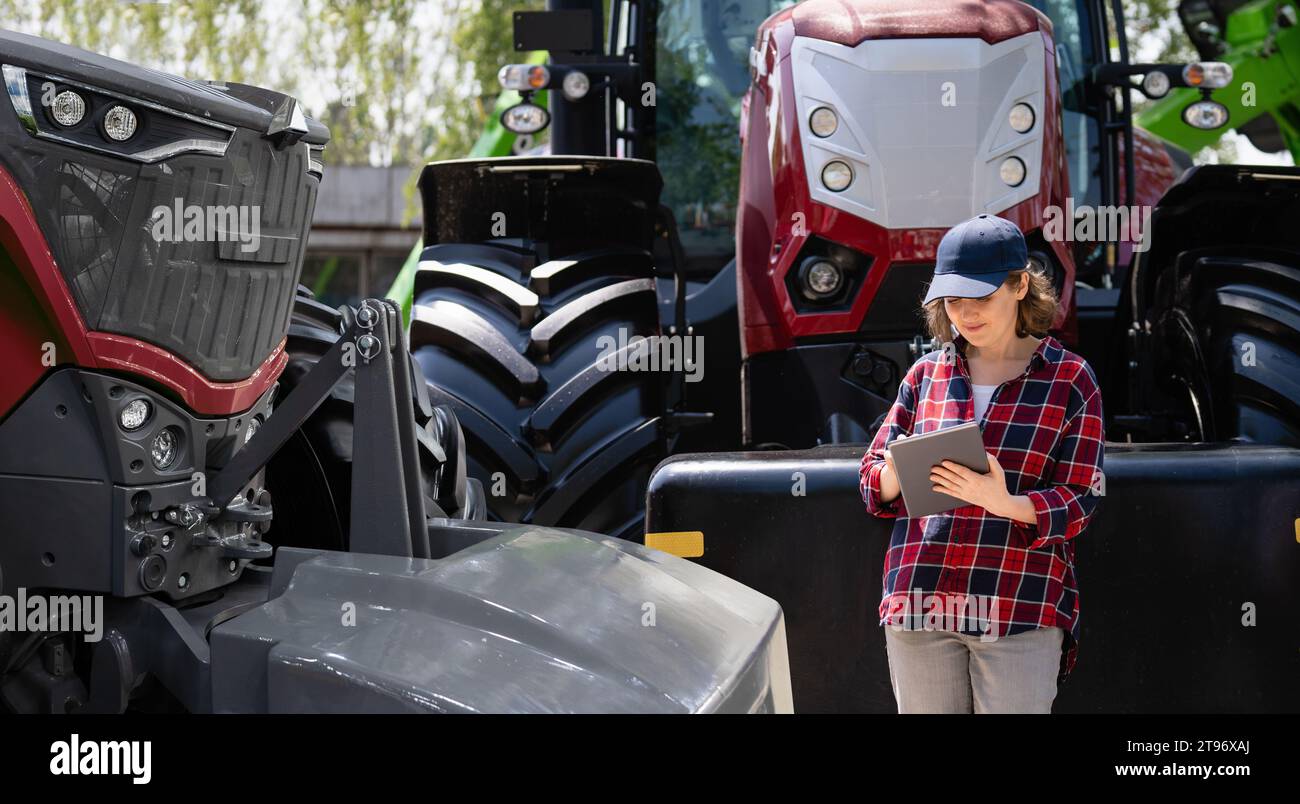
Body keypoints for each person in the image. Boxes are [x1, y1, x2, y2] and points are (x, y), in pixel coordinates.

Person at [859, 213, 1105, 714]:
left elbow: (1082, 498)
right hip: (919, 601)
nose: (965, 315)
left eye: (980, 299)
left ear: (1019, 285)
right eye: (953, 302)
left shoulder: (1071, 380)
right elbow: (869, 483)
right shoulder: (924, 374)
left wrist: (1006, 502)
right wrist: (896, 471)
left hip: (1016, 603)